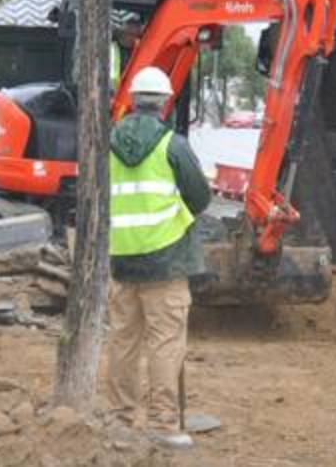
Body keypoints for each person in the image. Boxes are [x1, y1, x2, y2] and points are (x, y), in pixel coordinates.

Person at [106, 66, 211, 449]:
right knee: (165, 342)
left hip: (122, 258)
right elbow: (200, 197)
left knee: (123, 340)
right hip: (166, 260)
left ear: (132, 100)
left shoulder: (108, 142)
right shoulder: (173, 145)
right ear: (165, 102)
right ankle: (164, 424)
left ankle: (118, 419)